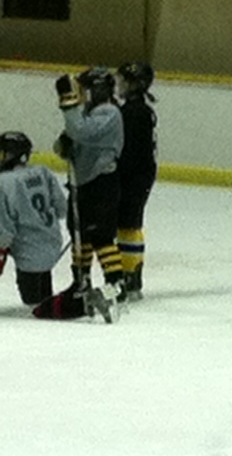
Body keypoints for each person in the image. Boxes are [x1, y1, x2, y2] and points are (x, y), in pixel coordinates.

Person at [0, 130, 113, 322]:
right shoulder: (43, 172)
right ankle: (75, 296)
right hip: (52, 243)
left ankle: (84, 302)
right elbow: (61, 209)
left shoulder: (3, 183)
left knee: (36, 307)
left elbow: (4, 231)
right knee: (42, 297)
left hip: (29, 252)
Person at [55, 66, 125, 310]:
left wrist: (68, 105)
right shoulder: (87, 112)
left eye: (86, 89)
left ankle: (116, 284)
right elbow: (67, 140)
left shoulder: (110, 112)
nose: (83, 94)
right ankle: (81, 280)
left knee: (100, 235)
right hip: (83, 182)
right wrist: (64, 145)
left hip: (102, 182)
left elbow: (82, 131)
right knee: (79, 233)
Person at [115, 61, 157, 301]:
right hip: (140, 174)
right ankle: (130, 274)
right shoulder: (137, 110)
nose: (119, 85)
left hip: (135, 175)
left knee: (129, 224)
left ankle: (130, 276)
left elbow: (129, 151)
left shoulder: (134, 112)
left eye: (123, 81)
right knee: (128, 223)